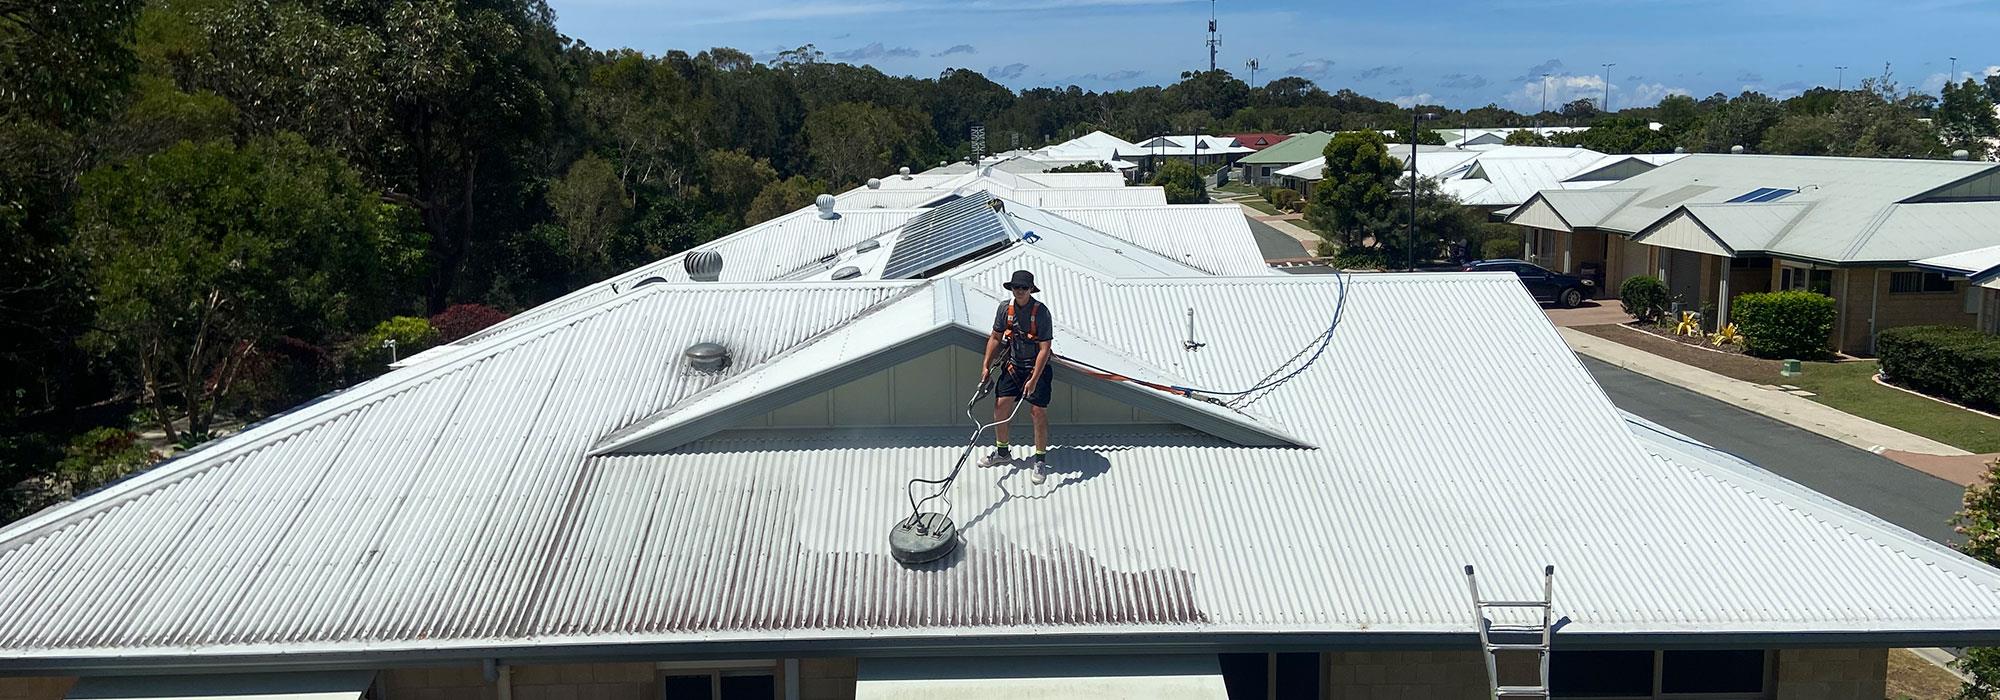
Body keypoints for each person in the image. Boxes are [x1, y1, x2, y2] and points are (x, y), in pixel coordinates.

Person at [978, 269, 1054, 483]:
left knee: (1037, 412)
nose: (1019, 291)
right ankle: (1003, 452)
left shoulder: (1041, 313)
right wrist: (986, 366)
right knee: (1001, 407)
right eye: (1016, 287)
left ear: (1031, 289)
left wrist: (1034, 379)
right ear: (1011, 288)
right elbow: (995, 337)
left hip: (1036, 369)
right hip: (1013, 366)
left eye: (1024, 288)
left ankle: (1040, 460)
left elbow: (1044, 349)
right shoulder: (1005, 309)